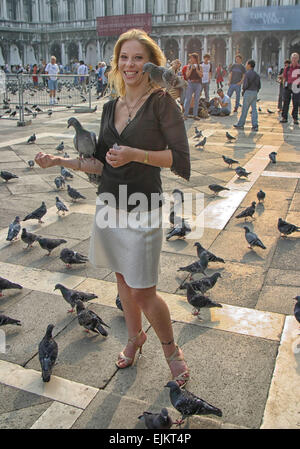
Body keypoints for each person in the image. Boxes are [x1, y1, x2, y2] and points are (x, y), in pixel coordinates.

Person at [34, 28, 191, 388]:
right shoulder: (109, 108)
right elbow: (101, 164)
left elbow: (181, 162)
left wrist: (136, 154)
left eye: (138, 57)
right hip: (109, 206)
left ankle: (171, 351)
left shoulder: (162, 103)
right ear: (116, 64)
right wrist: (60, 160)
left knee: (144, 291)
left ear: (149, 63)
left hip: (143, 207)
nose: (130, 64)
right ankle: (135, 338)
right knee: (121, 279)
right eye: (124, 57)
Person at [233, 59, 261, 132]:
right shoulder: (257, 74)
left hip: (248, 92)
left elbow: (245, 85)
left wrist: (244, 90)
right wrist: (256, 91)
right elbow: (259, 85)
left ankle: (241, 124)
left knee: (244, 109)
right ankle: (255, 125)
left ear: (249, 65)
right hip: (254, 92)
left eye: (246, 64)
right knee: (254, 109)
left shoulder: (247, 74)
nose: (245, 65)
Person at [280, 53, 300, 125]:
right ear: (291, 59)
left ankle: (295, 118)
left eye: (296, 58)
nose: (294, 59)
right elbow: (284, 77)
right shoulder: (287, 68)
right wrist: (283, 85)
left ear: (298, 59)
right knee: (285, 102)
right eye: (293, 58)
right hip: (288, 86)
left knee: (296, 103)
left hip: (296, 86)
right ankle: (284, 117)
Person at [183, 53, 203, 120]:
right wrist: (191, 69)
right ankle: (185, 115)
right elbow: (187, 76)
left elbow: (201, 75)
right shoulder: (189, 66)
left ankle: (195, 115)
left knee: (196, 100)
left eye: (191, 58)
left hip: (198, 84)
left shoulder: (200, 66)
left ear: (195, 59)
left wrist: (197, 70)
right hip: (190, 83)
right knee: (188, 99)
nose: (190, 59)